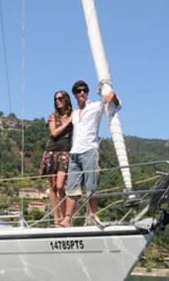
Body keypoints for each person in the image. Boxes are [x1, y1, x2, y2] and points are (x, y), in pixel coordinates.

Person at [59, 80, 120, 227]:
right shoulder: (74, 113)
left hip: (89, 151)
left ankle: (91, 217)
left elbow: (116, 105)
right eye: (79, 91)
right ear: (74, 94)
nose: (82, 93)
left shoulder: (96, 107)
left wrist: (112, 95)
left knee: (92, 186)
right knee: (72, 188)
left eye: (85, 90)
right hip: (74, 153)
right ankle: (67, 219)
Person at [39, 90, 73, 227]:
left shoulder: (73, 114)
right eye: (56, 99)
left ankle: (66, 220)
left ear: (66, 99)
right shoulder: (53, 116)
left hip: (65, 152)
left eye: (60, 98)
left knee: (60, 186)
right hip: (51, 151)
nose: (58, 100)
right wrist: (68, 123)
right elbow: (54, 132)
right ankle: (56, 220)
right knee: (52, 187)